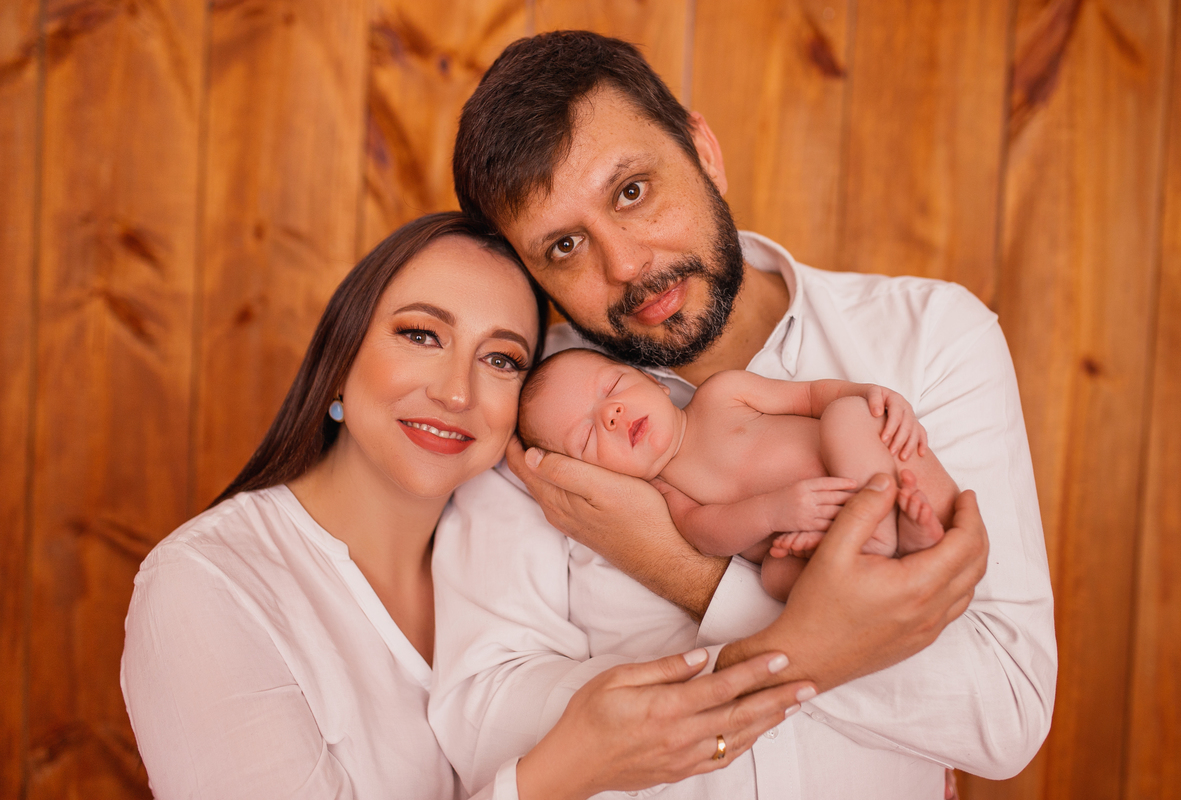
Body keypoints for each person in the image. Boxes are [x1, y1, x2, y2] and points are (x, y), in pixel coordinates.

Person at [430, 30, 1057, 798]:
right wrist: (832, 647)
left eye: (632, 191)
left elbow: (1005, 709)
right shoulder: (538, 424)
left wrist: (683, 572)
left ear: (704, 152)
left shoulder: (931, 339)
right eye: (564, 245)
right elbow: (483, 720)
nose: (625, 265)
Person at [119, 213, 822, 800]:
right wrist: (566, 768)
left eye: (502, 360)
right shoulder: (206, 588)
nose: (458, 392)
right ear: (341, 353)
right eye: (421, 335)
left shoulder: (517, 556)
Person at [516, 348, 958, 601]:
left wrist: (872, 395)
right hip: (817, 536)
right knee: (774, 577)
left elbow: (810, 396)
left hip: (869, 473)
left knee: (845, 414)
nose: (611, 415)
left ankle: (882, 528)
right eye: (588, 437)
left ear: (655, 381)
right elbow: (705, 534)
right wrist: (773, 512)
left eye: (613, 388)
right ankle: (899, 550)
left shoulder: (722, 394)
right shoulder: (664, 492)